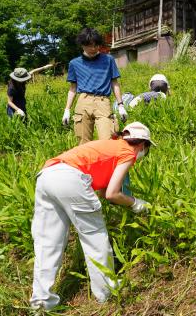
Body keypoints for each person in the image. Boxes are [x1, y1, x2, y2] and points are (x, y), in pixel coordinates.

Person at [30, 122, 154, 310]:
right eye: (146, 148)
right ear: (142, 144)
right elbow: (113, 193)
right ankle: (106, 292)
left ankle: (41, 303)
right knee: (94, 237)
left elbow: (105, 193)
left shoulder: (110, 145)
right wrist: (137, 203)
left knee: (48, 242)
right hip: (70, 178)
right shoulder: (128, 152)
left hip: (47, 175)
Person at [62, 27, 128, 145]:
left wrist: (121, 105)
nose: (93, 48)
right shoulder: (74, 63)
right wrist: (67, 109)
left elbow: (114, 83)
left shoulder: (108, 60)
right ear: (82, 45)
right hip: (83, 101)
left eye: (96, 45)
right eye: (89, 45)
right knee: (83, 143)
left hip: (103, 102)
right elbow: (72, 88)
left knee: (108, 140)